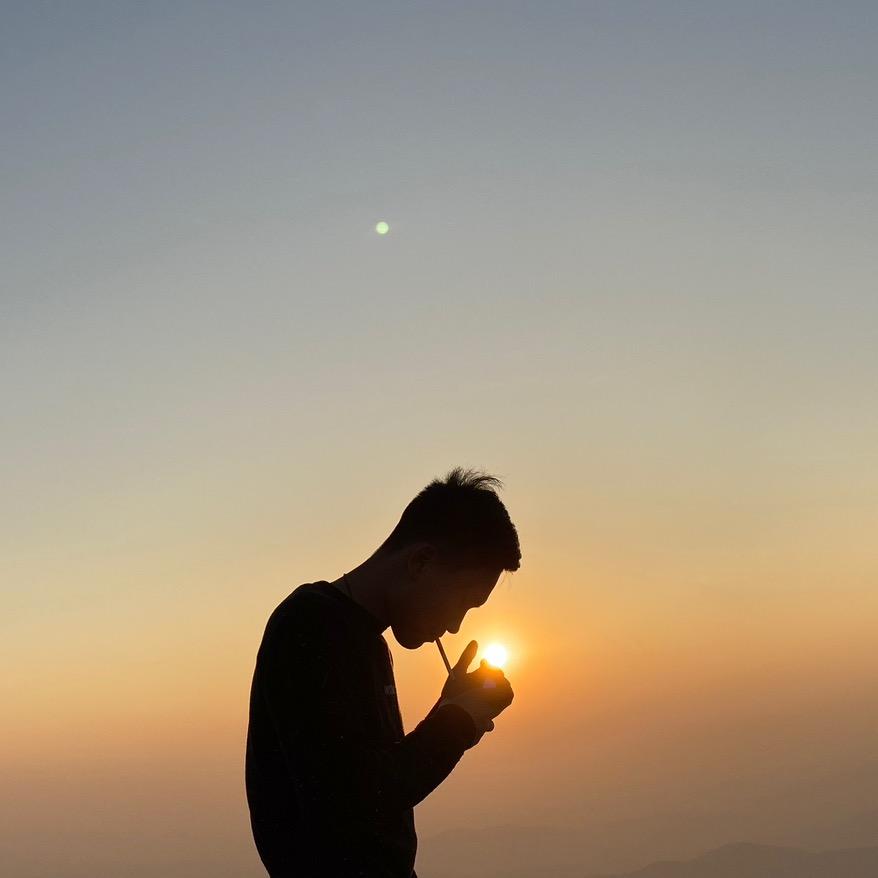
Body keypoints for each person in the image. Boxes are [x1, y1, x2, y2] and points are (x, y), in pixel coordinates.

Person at [245, 466, 521, 877]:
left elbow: (375, 779)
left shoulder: (362, 640)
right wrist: (458, 721)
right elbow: (355, 798)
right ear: (421, 561)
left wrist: (449, 708)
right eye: (462, 602)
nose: (455, 626)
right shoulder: (308, 628)